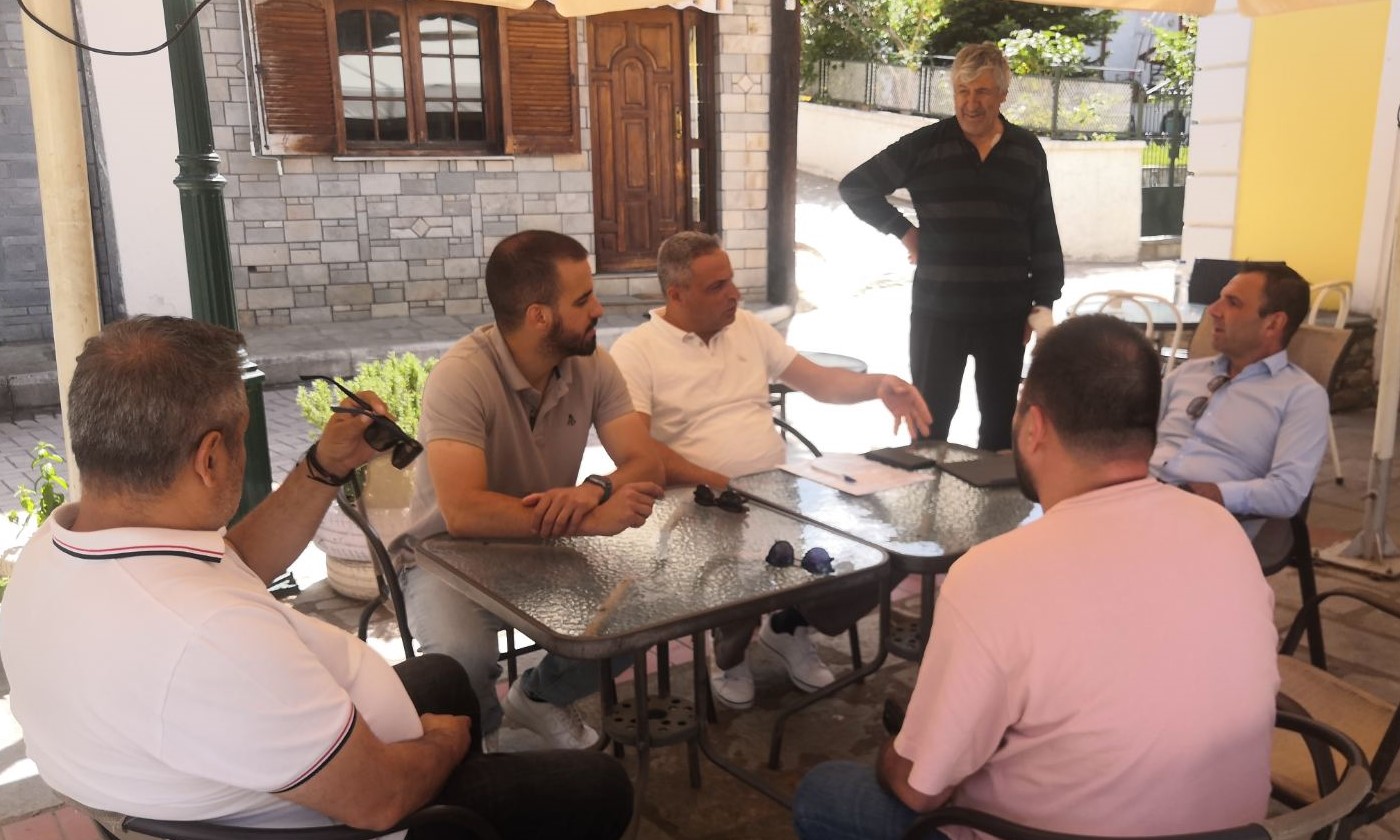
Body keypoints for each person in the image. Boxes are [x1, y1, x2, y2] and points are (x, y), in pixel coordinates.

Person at [0, 316, 632, 840]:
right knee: (597, 786)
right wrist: (443, 743)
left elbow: (234, 563)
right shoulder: (209, 637)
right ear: (210, 457)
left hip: (213, 779)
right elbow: (379, 799)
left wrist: (324, 467)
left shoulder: (58, 551)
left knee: (442, 676)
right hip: (343, 816)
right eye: (242, 438)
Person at [791, 315, 1280, 840]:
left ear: (1034, 426)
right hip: (1236, 832)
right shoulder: (1221, 530)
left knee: (825, 791)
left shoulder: (995, 575)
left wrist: (901, 750)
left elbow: (918, 789)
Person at [610, 230, 932, 709]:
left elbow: (819, 382)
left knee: (883, 550)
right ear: (676, 295)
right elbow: (636, 450)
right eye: (717, 286)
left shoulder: (748, 328)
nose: (735, 294)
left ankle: (788, 627)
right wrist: (724, 483)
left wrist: (879, 385)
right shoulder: (637, 351)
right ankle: (730, 656)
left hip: (779, 492)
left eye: (731, 280)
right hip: (698, 508)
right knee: (743, 575)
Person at [392, 230, 665, 750]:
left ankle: (539, 697)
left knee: (642, 611)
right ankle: (484, 743)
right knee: (461, 658)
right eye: (583, 300)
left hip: (540, 547)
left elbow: (646, 461)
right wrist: (589, 519)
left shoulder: (592, 364)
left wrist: (595, 488)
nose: (599, 309)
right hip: (444, 557)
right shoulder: (462, 375)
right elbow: (464, 511)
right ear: (539, 316)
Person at [839, 42, 1063, 452]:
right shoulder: (925, 146)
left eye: (982, 92)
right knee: (929, 425)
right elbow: (856, 187)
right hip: (938, 313)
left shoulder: (1026, 150)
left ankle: (993, 497)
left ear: (1002, 95)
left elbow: (1042, 227)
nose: (971, 103)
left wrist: (1043, 303)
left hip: (1005, 315)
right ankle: (925, 493)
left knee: (999, 432)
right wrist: (905, 232)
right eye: (963, 91)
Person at [1152, 262, 1329, 523]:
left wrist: (1217, 494)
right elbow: (1133, 434)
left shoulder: (1301, 397)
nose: (1213, 311)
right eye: (1220, 299)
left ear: (1273, 324)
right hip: (1142, 498)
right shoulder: (1189, 373)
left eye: (1233, 303)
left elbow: (1287, 493)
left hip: (1205, 521)